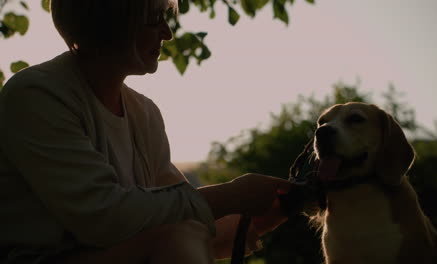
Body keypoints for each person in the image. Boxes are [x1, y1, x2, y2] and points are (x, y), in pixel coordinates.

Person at [0, 0, 292, 263]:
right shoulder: (37, 95)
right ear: (109, 22)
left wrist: (273, 209)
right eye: (154, 19)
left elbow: (185, 216)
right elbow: (103, 218)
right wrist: (230, 195)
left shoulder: (144, 113)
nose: (167, 33)